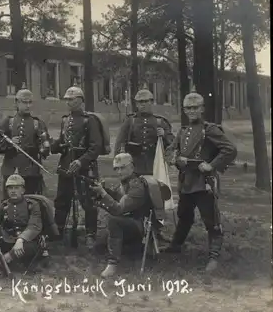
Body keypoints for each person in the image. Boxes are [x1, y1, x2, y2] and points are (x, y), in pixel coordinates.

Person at [163, 88, 237, 272]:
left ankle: (213, 257)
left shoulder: (210, 130)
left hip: (204, 183)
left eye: (195, 107)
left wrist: (212, 165)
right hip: (186, 182)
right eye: (188, 108)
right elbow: (171, 150)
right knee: (184, 216)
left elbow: (230, 149)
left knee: (211, 220)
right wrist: (174, 158)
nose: (191, 111)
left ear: (202, 109)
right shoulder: (183, 131)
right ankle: (176, 246)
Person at [90, 153, 159, 278]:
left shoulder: (137, 186)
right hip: (128, 223)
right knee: (99, 246)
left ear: (131, 167)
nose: (119, 171)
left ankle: (113, 263)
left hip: (139, 227)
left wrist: (103, 193)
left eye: (122, 167)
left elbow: (118, 209)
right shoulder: (124, 183)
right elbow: (117, 198)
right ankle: (128, 250)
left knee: (113, 221)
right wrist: (101, 192)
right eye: (116, 168)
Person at [51, 84, 102, 249]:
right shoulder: (65, 120)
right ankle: (57, 232)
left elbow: (96, 147)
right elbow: (63, 141)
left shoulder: (90, 120)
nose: (68, 102)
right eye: (67, 99)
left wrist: (81, 161)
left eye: (72, 99)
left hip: (85, 167)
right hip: (66, 165)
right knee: (62, 200)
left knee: (88, 201)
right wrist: (53, 146)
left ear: (80, 100)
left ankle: (90, 235)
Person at [0, 84, 51, 198]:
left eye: (30, 102)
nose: (27, 105)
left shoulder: (38, 123)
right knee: (9, 204)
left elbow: (45, 147)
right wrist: (8, 143)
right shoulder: (9, 121)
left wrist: (43, 146)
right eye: (24, 102)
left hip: (30, 171)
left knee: (31, 202)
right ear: (17, 103)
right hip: (10, 169)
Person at [114, 84, 174, 175]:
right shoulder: (130, 121)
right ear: (137, 104)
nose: (143, 104)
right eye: (140, 102)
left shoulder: (160, 121)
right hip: (134, 165)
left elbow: (172, 143)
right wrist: (119, 163)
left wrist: (164, 134)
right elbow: (120, 143)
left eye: (146, 101)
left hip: (155, 164)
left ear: (151, 102)